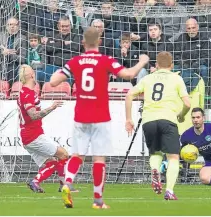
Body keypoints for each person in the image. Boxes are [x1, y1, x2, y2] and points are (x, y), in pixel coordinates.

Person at [49, 27, 149, 209]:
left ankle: (67, 182)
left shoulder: (75, 61)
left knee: (77, 154)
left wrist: (64, 72)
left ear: (82, 43)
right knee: (99, 159)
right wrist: (142, 61)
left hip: (81, 115)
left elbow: (53, 82)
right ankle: (98, 201)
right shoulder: (105, 60)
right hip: (100, 116)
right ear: (100, 42)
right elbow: (129, 75)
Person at [125, 51, 191, 200]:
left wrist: (128, 118)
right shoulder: (176, 78)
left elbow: (129, 94)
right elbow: (188, 103)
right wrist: (181, 115)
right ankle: (169, 190)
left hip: (149, 120)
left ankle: (155, 169)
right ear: (172, 65)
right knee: (173, 157)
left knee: (155, 153)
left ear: (156, 65)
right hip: (168, 119)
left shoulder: (147, 78)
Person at [17, 65, 71, 193]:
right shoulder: (27, 94)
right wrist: (52, 107)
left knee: (52, 163)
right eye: (34, 72)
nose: (35, 74)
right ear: (31, 76)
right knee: (63, 154)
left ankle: (35, 182)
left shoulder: (25, 92)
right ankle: (64, 185)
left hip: (30, 136)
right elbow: (33, 115)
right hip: (33, 136)